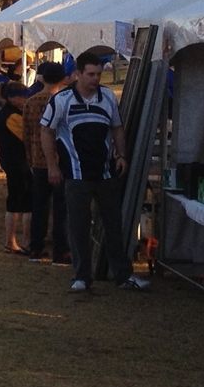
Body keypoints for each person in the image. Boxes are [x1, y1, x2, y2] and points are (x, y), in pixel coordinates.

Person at [39, 53, 142, 292]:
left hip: (105, 173)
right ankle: (82, 276)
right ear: (78, 74)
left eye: (99, 74)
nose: (96, 79)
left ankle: (122, 275)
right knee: (78, 226)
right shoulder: (62, 100)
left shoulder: (107, 96)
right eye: (91, 74)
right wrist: (52, 165)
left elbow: (117, 128)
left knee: (114, 225)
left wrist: (121, 155)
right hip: (76, 173)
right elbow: (46, 131)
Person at [22, 61, 71, 264]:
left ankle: (36, 247)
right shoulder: (62, 102)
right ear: (63, 79)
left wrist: (30, 158)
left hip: (37, 160)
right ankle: (60, 250)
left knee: (39, 206)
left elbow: (25, 134)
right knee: (61, 208)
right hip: (59, 161)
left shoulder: (30, 102)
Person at [0, 81, 35, 254]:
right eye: (22, 97)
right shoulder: (11, 116)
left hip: (14, 162)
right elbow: (28, 136)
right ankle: (19, 241)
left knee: (19, 201)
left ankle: (16, 241)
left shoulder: (8, 112)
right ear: (12, 98)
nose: (25, 100)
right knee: (22, 202)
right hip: (17, 163)